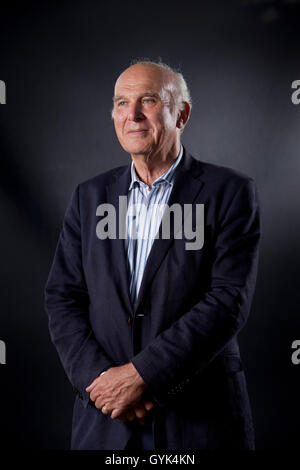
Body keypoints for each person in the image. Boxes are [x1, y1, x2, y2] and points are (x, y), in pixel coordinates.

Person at [44, 59, 261, 450]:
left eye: (148, 100)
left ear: (182, 114)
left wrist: (142, 377)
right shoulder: (88, 197)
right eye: (121, 102)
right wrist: (103, 384)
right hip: (105, 422)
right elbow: (63, 298)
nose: (133, 114)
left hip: (199, 423)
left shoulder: (230, 192)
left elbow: (228, 301)